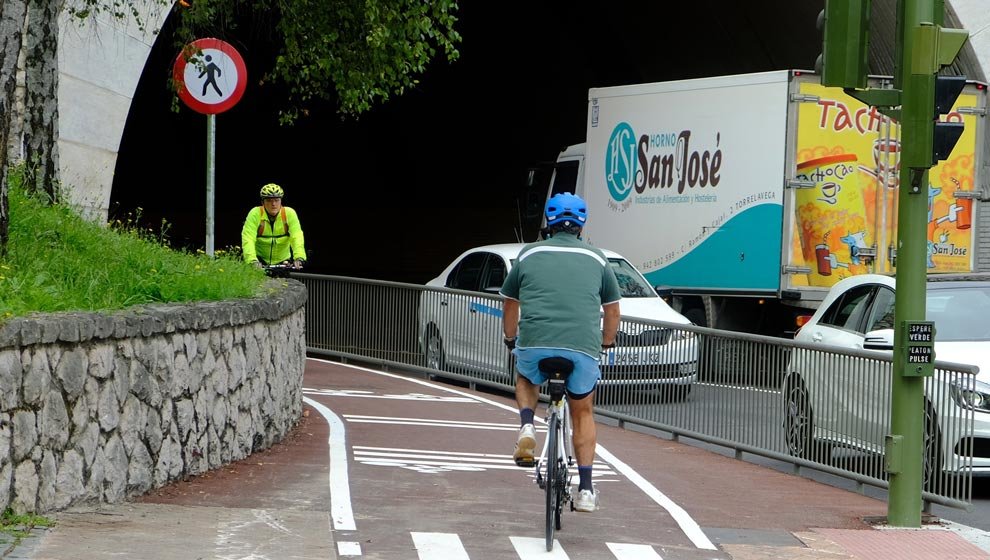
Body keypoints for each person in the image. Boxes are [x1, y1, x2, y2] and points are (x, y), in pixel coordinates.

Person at [499, 192, 620, 513]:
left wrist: (511, 338)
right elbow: (612, 311)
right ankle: (586, 488)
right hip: (582, 347)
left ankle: (527, 424)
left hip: (536, 342)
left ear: (549, 223)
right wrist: (607, 343)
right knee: (582, 412)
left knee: (525, 376)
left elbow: (510, 303)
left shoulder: (528, 254)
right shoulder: (598, 259)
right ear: (582, 224)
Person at [241, 183, 307, 268]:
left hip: (283, 262)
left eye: (276, 200)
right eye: (269, 200)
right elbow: (248, 238)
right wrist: (252, 260)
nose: (273, 204)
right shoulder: (255, 213)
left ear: (281, 201)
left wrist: (299, 257)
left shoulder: (289, 213)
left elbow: (297, 236)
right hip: (259, 260)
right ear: (262, 202)